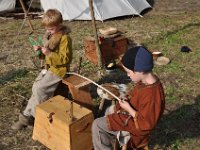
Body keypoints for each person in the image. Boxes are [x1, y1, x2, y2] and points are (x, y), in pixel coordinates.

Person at [92, 46, 165, 149]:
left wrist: (129, 109)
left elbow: (146, 124)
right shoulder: (144, 81)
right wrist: (128, 99)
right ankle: (112, 141)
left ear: (140, 71)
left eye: (129, 72)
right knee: (109, 110)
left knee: (97, 125)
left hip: (136, 127)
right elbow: (137, 98)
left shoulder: (152, 94)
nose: (128, 75)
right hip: (131, 116)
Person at [11, 9, 72, 130]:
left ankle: (34, 118)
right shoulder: (49, 35)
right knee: (36, 87)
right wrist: (39, 51)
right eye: (47, 29)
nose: (48, 31)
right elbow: (44, 57)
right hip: (49, 68)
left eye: (51, 29)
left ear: (59, 25)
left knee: (40, 90)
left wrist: (49, 53)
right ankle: (26, 117)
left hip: (59, 70)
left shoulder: (65, 38)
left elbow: (66, 59)